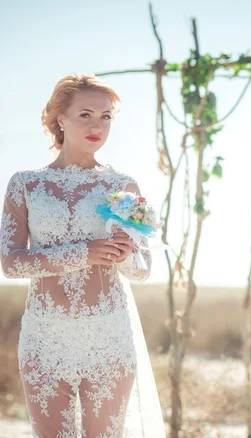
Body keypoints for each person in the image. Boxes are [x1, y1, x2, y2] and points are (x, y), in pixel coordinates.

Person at [0, 73, 165, 437]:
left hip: (108, 333)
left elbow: (141, 270)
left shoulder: (122, 186)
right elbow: (11, 262)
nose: (97, 126)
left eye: (106, 117)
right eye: (85, 115)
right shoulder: (25, 184)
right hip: (45, 335)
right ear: (60, 119)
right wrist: (84, 252)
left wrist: (123, 254)